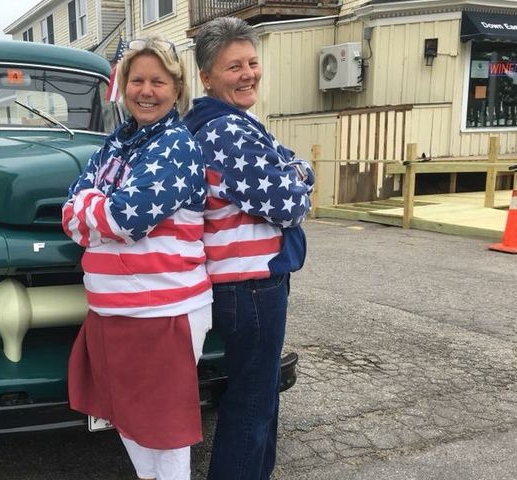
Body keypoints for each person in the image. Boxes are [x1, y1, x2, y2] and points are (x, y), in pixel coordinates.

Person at [62, 35, 212, 480]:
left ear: (177, 88)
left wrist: (92, 207)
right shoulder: (114, 144)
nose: (146, 91)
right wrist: (93, 211)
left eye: (158, 81)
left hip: (164, 308)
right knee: (128, 421)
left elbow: (129, 217)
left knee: (163, 431)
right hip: (112, 310)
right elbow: (68, 216)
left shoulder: (177, 145)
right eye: (137, 80)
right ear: (123, 86)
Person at [182, 17, 315, 480]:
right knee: (251, 403)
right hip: (252, 286)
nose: (248, 74)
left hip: (245, 283)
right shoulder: (227, 132)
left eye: (252, 63)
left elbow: (293, 167)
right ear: (206, 76)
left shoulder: (227, 123)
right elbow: (290, 205)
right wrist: (297, 175)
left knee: (255, 398)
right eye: (233, 66)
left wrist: (293, 169)